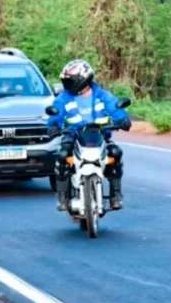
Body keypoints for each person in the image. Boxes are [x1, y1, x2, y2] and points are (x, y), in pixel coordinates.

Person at [47, 59, 132, 212]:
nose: (67, 83)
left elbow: (114, 107)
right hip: (73, 136)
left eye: (70, 80)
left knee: (116, 153)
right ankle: (62, 196)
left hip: (99, 135)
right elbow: (56, 112)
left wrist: (123, 119)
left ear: (82, 79)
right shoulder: (64, 97)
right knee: (62, 155)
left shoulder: (102, 94)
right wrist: (53, 125)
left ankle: (115, 196)